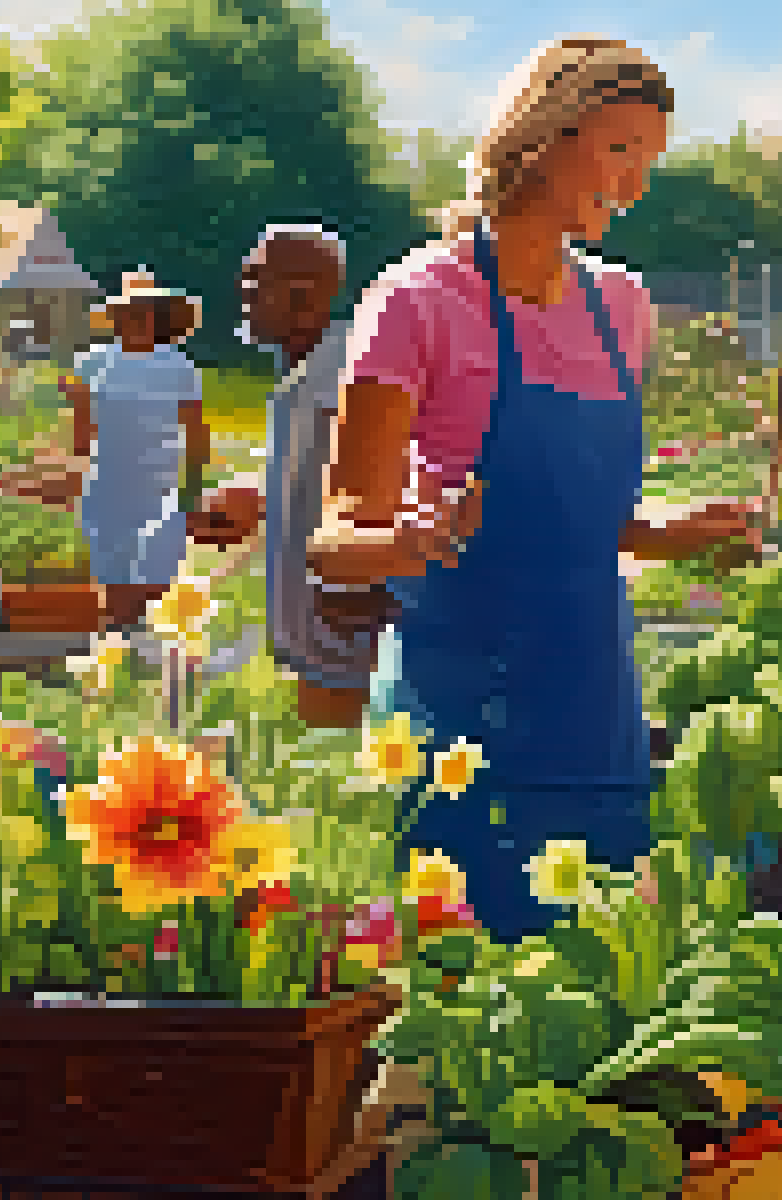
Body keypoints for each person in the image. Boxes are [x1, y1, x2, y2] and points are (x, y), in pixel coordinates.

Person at [307, 37, 753, 941]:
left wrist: (675, 533)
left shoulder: (622, 309)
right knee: (460, 1012)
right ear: (542, 135)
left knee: (596, 999)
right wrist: (407, 542)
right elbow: (335, 535)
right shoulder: (417, 302)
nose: (636, 183)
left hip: (594, 709)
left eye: (651, 159)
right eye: (620, 148)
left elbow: (580, 515)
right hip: (458, 718)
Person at [237, 224, 376, 729]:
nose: (244, 292)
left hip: (349, 634)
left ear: (303, 292)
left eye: (257, 281)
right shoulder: (303, 370)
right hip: (315, 634)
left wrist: (355, 597)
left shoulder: (350, 369)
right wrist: (256, 500)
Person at [62, 270, 211, 629]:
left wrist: (193, 494)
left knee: (157, 582)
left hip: (160, 488)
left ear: (158, 318)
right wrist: (69, 481)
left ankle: (150, 654)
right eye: (127, 313)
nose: (135, 320)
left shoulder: (179, 366)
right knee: (114, 584)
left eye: (144, 312)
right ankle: (118, 656)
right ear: (114, 319)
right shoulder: (91, 364)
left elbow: (196, 434)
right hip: (107, 487)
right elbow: (81, 435)